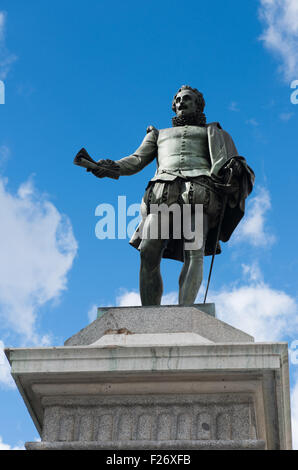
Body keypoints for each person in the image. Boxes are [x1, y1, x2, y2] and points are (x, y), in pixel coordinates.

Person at [76, 85, 254, 305]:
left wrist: (234, 169)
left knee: (194, 250)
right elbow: (136, 160)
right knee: (148, 249)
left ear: (198, 104)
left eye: (187, 99)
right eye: (178, 100)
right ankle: (150, 316)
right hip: (162, 192)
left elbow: (230, 163)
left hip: (199, 192)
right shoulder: (158, 134)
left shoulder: (214, 132)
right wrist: (111, 167)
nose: (181, 103)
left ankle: (185, 311)